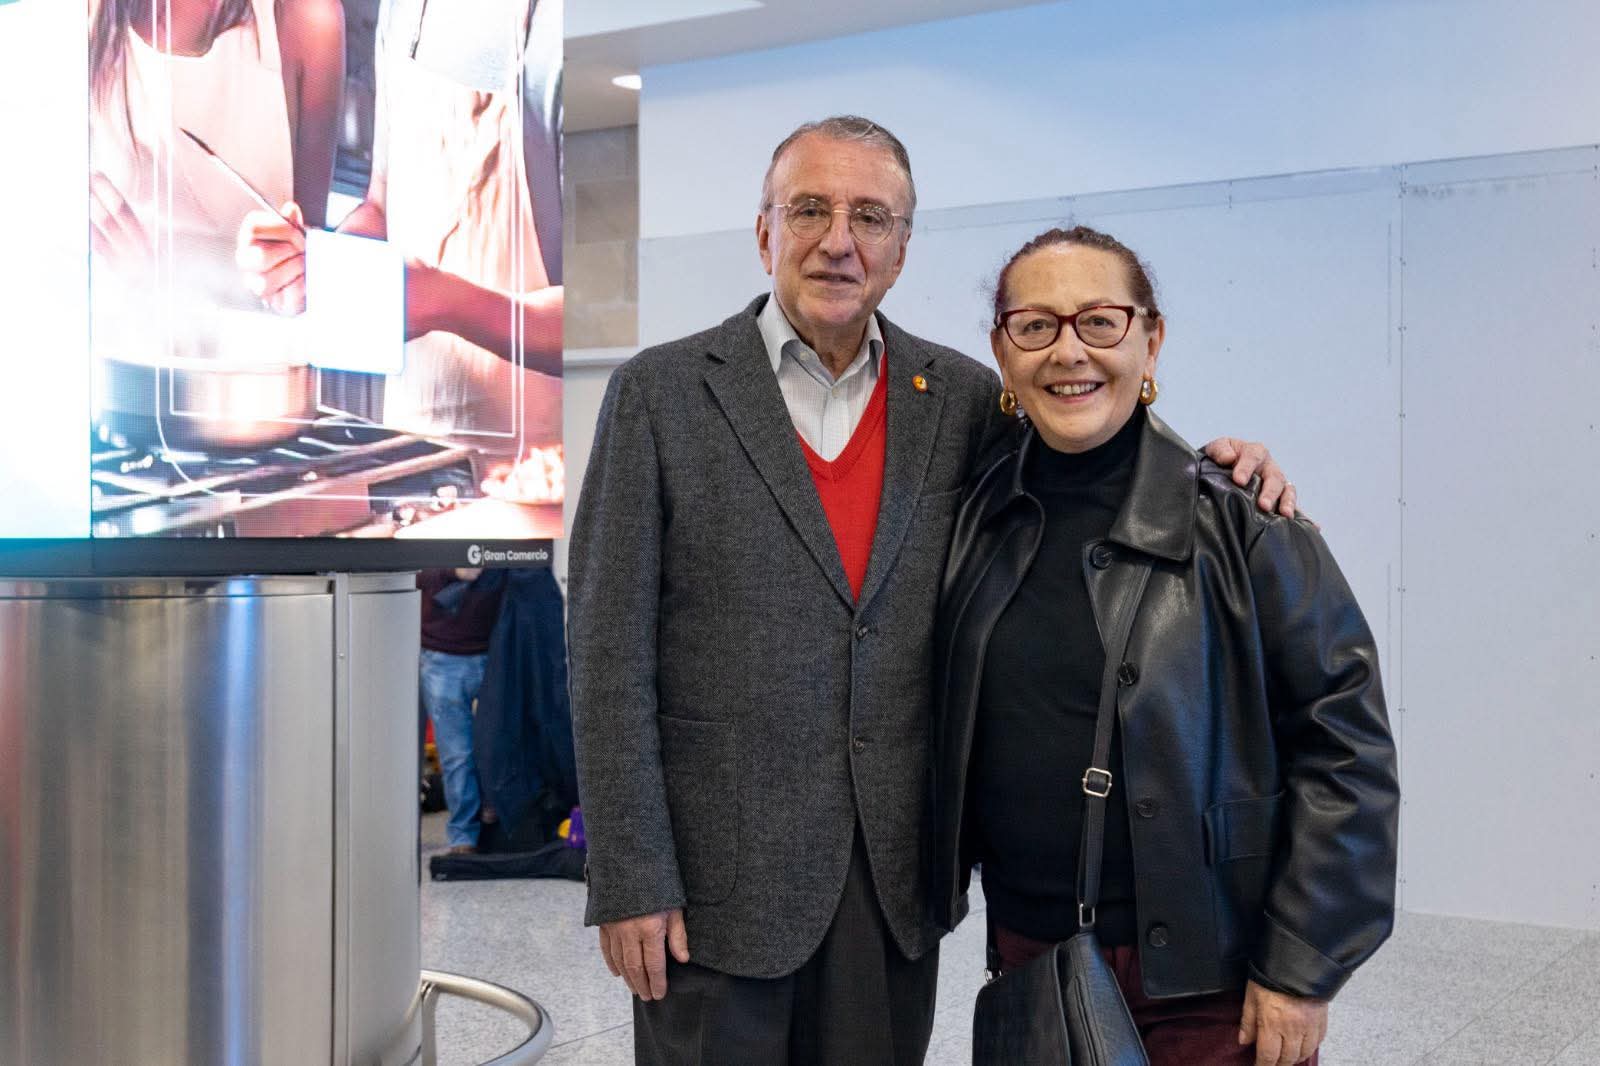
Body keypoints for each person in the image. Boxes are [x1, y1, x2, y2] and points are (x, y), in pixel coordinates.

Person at [567, 116, 1298, 1066]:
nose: (839, 241)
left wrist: (1214, 468)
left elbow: (1088, 448)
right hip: (713, 891)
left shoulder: (960, 399)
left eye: (871, 217)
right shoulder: (659, 396)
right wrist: (631, 875)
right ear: (764, 232)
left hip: (892, 885)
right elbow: (605, 656)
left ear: (902, 249)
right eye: (810, 210)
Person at [931, 226, 1400, 1066]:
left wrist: (1302, 968)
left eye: (1100, 321)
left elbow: (1346, 753)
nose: (1068, 351)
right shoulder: (972, 520)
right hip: (1034, 960)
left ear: (1151, 341)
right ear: (1002, 354)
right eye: (1034, 325)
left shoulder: (1247, 524)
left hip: (1214, 987)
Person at [235, 0, 563, 451]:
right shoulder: (406, 10)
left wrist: (449, 303)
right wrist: (318, 266)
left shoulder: (563, 29)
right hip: (414, 449)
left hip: (541, 463)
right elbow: (381, 206)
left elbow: (608, 325)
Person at [88, 0, 344, 351]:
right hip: (114, 346)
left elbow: (308, 268)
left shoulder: (309, 18)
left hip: (252, 360)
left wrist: (296, 271)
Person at [418, 566, 504, 853]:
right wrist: (453, 572)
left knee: (499, 745)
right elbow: (409, 572)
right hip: (443, 656)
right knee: (457, 755)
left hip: (496, 650)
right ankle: (463, 838)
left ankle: (486, 828)